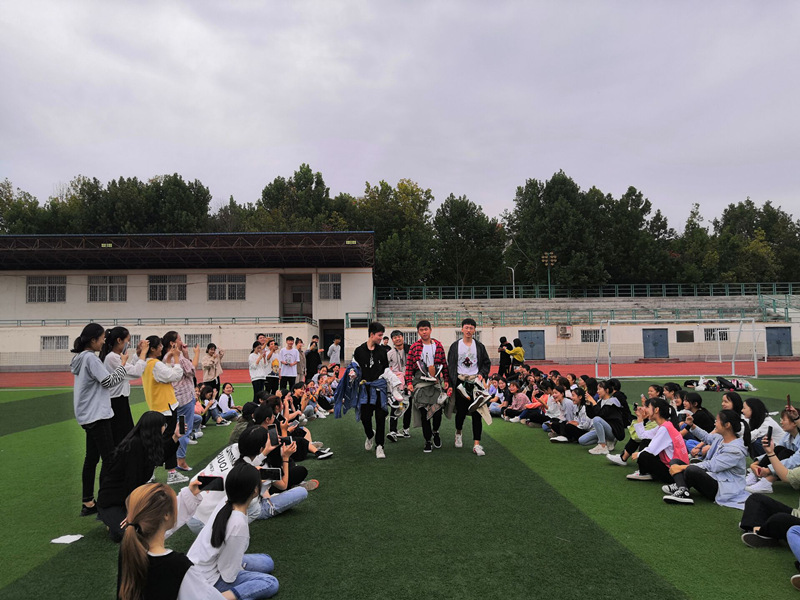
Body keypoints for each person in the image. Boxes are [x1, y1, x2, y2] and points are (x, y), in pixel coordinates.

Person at [117, 481, 234, 600]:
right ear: (166, 514)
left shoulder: (128, 548)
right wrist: (235, 593)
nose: (176, 508)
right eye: (174, 504)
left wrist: (190, 494)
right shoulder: (177, 565)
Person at [187, 463, 280, 599]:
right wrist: (238, 569)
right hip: (208, 579)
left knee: (267, 562)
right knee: (270, 583)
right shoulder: (238, 524)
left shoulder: (227, 500)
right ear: (255, 491)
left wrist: (252, 477)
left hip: (200, 566)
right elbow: (228, 575)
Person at [71, 323, 129, 517]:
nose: (104, 341)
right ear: (93, 339)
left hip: (87, 415)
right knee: (110, 459)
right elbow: (109, 381)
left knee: (91, 459)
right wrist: (122, 365)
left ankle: (88, 502)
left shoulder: (80, 358)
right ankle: (107, 503)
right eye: (102, 338)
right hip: (97, 414)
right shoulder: (90, 358)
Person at [97, 411, 180, 542]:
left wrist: (175, 437)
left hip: (128, 497)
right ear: (155, 428)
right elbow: (132, 482)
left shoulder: (146, 443)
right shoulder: (134, 446)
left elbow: (161, 456)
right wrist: (133, 512)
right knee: (130, 534)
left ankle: (117, 523)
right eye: (163, 425)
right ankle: (113, 522)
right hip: (112, 502)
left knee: (145, 527)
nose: (165, 428)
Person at [663, 409, 749, 506]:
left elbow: (712, 466)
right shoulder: (721, 438)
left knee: (691, 469)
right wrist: (691, 425)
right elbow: (706, 437)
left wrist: (682, 467)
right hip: (715, 478)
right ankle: (683, 488)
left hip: (724, 488)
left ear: (727, 425)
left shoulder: (735, 450)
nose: (715, 423)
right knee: (675, 461)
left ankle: (682, 487)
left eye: (717, 421)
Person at [740, 423, 800, 548]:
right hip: (797, 514)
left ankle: (761, 531)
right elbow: (786, 475)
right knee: (755, 499)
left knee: (780, 519)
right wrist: (770, 453)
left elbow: (792, 461)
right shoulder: (787, 436)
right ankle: (760, 532)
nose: (781, 421)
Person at [142, 335, 189, 485]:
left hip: (155, 406)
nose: (162, 348)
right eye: (160, 346)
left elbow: (164, 375)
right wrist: (176, 358)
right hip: (166, 407)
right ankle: (172, 472)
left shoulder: (146, 363)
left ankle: (149, 473)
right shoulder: (156, 364)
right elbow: (175, 376)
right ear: (153, 349)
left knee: (155, 440)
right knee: (170, 439)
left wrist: (169, 358)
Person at [447, 318, 492, 457]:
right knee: (461, 412)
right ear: (462, 329)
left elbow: (486, 363)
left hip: (475, 383)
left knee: (477, 413)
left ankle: (476, 444)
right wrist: (451, 384)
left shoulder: (479, 346)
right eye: (466, 327)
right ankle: (458, 432)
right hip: (460, 382)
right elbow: (451, 365)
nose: (468, 330)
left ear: (474, 330)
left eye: (471, 328)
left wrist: (482, 374)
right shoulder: (455, 346)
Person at [404, 320, 450, 453]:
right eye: (421, 330)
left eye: (426, 329)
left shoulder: (438, 345)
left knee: (437, 412)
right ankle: (427, 440)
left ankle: (435, 431)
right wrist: (409, 383)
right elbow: (409, 367)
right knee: (424, 414)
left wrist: (446, 380)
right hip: (421, 383)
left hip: (435, 382)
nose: (424, 332)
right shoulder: (414, 347)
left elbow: (444, 364)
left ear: (430, 330)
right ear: (418, 332)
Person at [100, 326, 150, 446]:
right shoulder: (112, 357)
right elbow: (135, 372)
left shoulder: (115, 356)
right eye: (128, 340)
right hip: (116, 401)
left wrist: (138, 354)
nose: (129, 344)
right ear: (119, 340)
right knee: (122, 437)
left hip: (119, 400)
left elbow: (129, 370)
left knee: (125, 435)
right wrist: (144, 353)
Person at [162, 331, 201, 473]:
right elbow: (192, 371)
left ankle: (175, 459)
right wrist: (194, 353)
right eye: (179, 339)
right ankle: (181, 460)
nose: (181, 341)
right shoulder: (176, 357)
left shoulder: (166, 357)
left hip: (174, 399)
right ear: (172, 343)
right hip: (184, 398)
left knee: (175, 429)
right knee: (184, 429)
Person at [351, 322, 390, 458]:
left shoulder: (382, 351)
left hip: (379, 389)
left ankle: (380, 446)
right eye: (379, 335)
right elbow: (354, 367)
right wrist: (353, 374)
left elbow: (386, 370)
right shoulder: (359, 351)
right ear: (372, 334)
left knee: (380, 417)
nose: (381, 338)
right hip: (365, 390)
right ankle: (369, 434)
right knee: (365, 417)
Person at [627, 399, 689, 483]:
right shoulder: (665, 426)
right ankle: (647, 473)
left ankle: (645, 473)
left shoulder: (665, 428)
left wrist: (638, 454)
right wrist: (639, 417)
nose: (645, 410)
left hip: (674, 473)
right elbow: (642, 435)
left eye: (648, 407)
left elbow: (651, 450)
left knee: (644, 454)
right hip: (677, 470)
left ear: (656, 410)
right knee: (645, 445)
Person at [745, 408, 800, 494]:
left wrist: (769, 469)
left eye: (784, 420)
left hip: (796, 471)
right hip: (789, 467)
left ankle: (768, 481)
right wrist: (756, 463)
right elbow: (774, 451)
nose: (781, 422)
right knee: (778, 449)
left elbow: (794, 461)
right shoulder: (787, 435)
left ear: (794, 423)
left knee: (786, 453)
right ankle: (756, 474)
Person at [581, 380, 626, 455]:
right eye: (597, 389)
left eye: (599, 389)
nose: (597, 391)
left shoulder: (612, 401)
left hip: (613, 431)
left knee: (597, 419)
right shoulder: (600, 401)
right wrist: (588, 403)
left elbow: (601, 414)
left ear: (607, 390)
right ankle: (606, 441)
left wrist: (593, 402)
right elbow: (591, 415)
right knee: (582, 440)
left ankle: (602, 446)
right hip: (604, 430)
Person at [386, 329, 411, 442]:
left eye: (399, 336)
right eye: (395, 337)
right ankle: (393, 430)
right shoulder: (390, 353)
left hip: (409, 381)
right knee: (395, 406)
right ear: (392, 340)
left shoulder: (409, 350)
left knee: (408, 405)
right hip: (397, 383)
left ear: (402, 337)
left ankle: (406, 429)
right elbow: (386, 367)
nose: (397, 339)